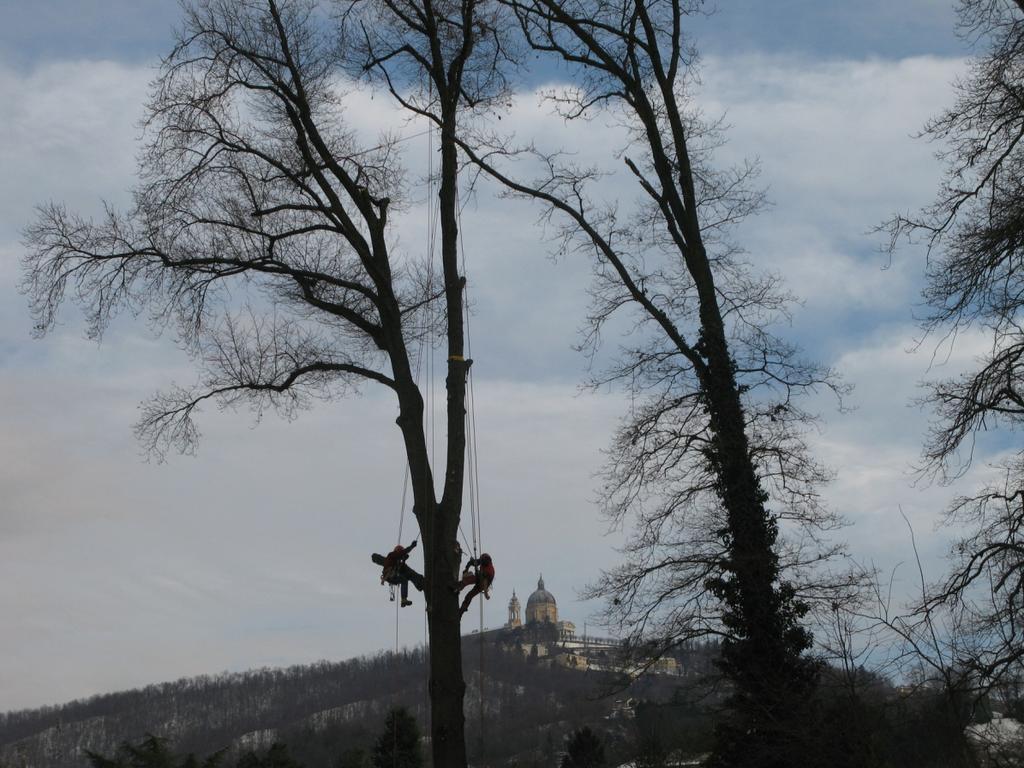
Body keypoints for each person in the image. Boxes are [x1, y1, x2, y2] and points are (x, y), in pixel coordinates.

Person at [372, 540, 424, 607]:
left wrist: (404, 560)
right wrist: (411, 546)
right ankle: (404, 599)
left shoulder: (396, 561)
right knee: (404, 580)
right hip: (390, 575)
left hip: (391, 576)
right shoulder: (392, 555)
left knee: (406, 578)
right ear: (398, 551)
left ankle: (405, 598)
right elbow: (402, 553)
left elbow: (401, 569)